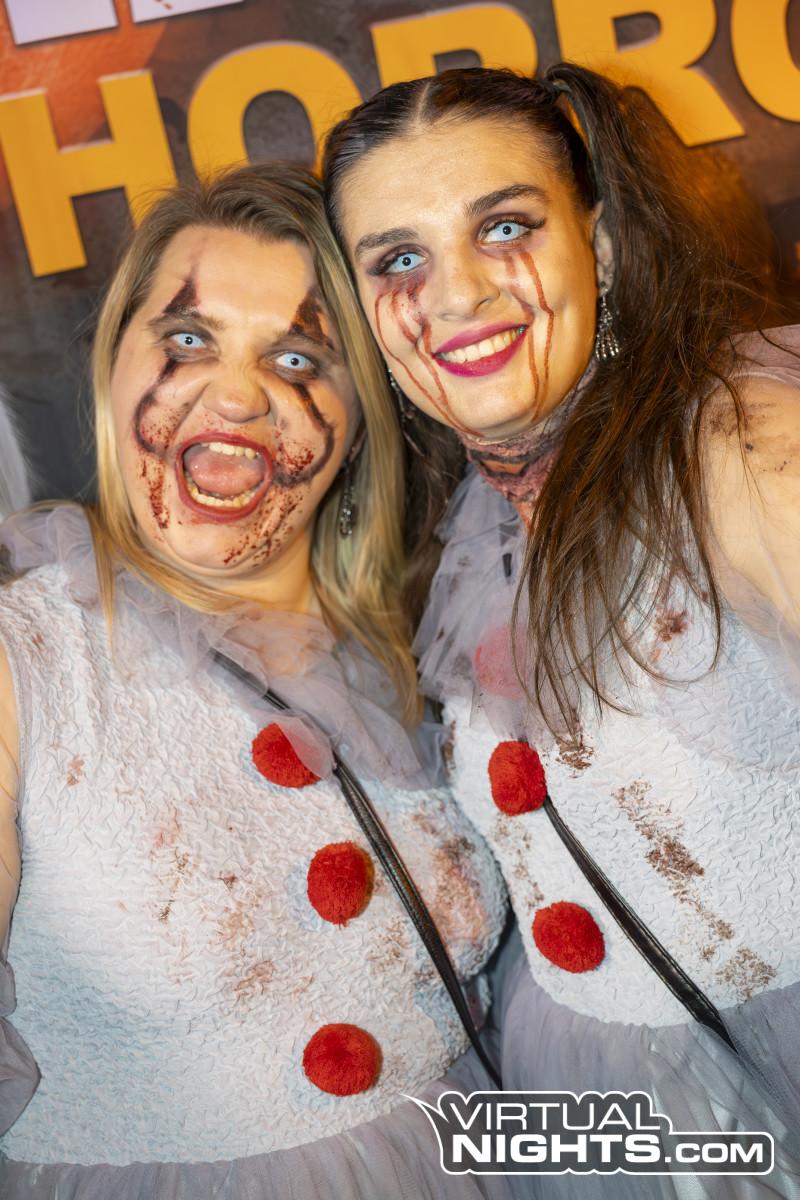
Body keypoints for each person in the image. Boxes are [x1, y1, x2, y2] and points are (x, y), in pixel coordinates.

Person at [323, 65, 800, 1196]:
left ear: (602, 244)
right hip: (605, 1107)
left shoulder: (741, 447)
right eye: (398, 260)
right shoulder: (466, 524)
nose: (453, 295)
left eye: (503, 227)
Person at [0, 164, 511, 1199]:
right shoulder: (27, 659)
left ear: (360, 416)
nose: (236, 395)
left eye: (296, 357)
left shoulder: (423, 647)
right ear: (112, 366)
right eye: (189, 340)